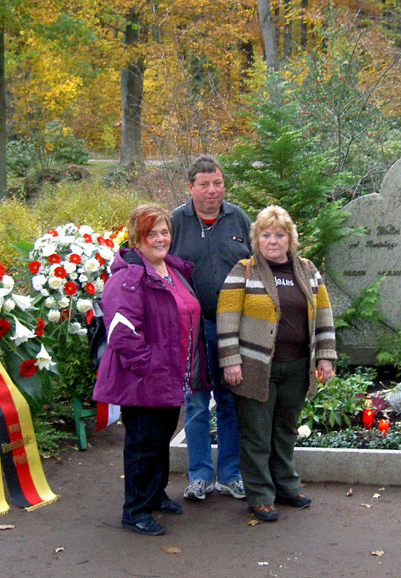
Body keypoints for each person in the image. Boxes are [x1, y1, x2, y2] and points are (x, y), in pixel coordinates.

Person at [93, 204, 209, 536]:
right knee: (143, 444)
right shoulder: (129, 277)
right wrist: (149, 367)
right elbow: (121, 332)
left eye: (164, 231)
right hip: (143, 380)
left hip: (171, 377)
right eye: (152, 233)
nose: (160, 239)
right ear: (136, 237)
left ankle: (155, 496)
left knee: (160, 440)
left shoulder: (172, 269)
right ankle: (136, 511)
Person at [217, 205, 336, 522]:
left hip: (297, 366)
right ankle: (259, 495)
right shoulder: (244, 270)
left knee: (285, 431)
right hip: (255, 367)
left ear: (290, 238)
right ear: (256, 238)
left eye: (280, 234)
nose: (273, 240)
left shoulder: (308, 270)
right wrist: (230, 361)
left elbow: (323, 314)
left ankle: (286, 486)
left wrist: (325, 355)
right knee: (256, 433)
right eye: (266, 234)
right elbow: (226, 319)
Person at [170, 154, 252, 502]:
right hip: (192, 327)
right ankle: (200, 474)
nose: (211, 191)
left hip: (234, 328)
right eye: (204, 184)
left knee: (232, 401)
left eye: (217, 183)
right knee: (197, 403)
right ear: (191, 187)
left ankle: (231, 474)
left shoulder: (239, 219)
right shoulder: (176, 221)